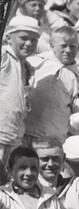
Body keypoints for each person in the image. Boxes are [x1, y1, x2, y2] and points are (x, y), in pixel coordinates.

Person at [23, 25, 79, 148]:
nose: (68, 50)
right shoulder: (34, 64)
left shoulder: (74, 76)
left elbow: (75, 108)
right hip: (26, 131)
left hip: (53, 138)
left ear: (78, 48)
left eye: (72, 46)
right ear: (52, 46)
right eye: (63, 46)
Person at [0, 16, 39, 169]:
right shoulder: (4, 56)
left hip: (14, 137)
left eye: (34, 40)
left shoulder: (27, 67)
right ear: (9, 37)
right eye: (23, 38)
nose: (29, 43)